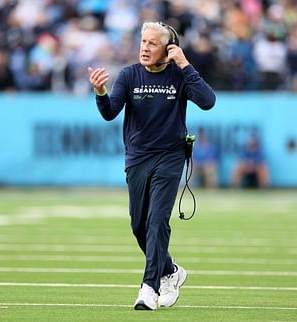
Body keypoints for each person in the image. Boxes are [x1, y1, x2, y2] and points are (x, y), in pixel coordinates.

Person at [88, 21, 216, 310]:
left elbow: (208, 102)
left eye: (152, 43)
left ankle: (149, 288)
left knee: (157, 220)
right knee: (139, 226)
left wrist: (185, 65)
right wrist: (100, 93)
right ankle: (170, 270)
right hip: (138, 158)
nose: (144, 48)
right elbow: (110, 113)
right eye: (143, 42)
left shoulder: (179, 74)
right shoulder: (129, 75)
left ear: (169, 49)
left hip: (170, 157)